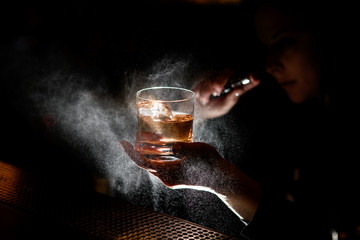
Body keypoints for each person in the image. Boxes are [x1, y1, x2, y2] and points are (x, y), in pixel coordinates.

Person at [120, 1, 360, 239]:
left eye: (285, 41)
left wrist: (218, 179)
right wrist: (201, 121)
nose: (271, 65)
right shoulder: (298, 114)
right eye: (267, 46)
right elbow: (298, 225)